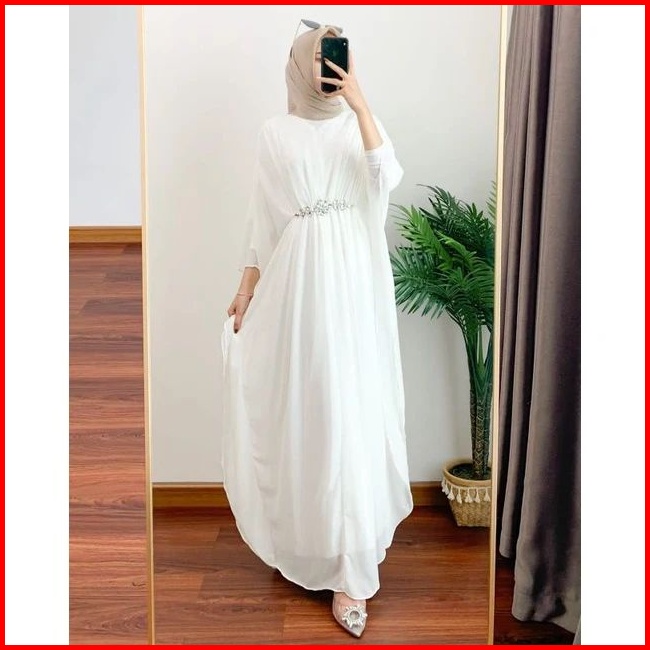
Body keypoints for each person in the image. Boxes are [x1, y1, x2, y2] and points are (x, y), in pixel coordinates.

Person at [221, 21, 413, 638]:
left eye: (340, 56)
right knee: (311, 411)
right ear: (301, 64)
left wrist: (360, 103)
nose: (330, 66)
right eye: (322, 58)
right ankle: (314, 542)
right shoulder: (274, 133)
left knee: (351, 411)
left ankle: (353, 571)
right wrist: (246, 288)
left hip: (353, 286)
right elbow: (263, 220)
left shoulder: (359, 123)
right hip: (299, 288)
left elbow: (385, 176)